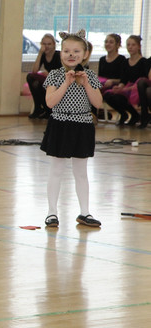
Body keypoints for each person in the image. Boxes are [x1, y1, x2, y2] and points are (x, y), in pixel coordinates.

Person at [41, 30, 103, 228]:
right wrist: (66, 83)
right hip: (61, 124)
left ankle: (85, 212)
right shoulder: (55, 75)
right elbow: (50, 102)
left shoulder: (90, 76)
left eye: (76, 51)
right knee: (56, 170)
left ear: (85, 54)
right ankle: (52, 212)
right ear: (61, 53)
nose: (71, 54)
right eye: (66, 50)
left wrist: (85, 85)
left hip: (83, 126)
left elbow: (98, 103)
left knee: (81, 172)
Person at [103, 35, 148, 126]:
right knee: (109, 95)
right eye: (128, 45)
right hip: (127, 88)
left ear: (139, 46)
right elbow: (123, 80)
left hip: (137, 90)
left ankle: (139, 115)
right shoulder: (126, 62)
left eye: (133, 45)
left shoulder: (144, 62)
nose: (130, 47)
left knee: (122, 95)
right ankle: (127, 114)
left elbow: (142, 81)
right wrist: (119, 87)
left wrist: (124, 89)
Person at [27, 34, 62, 119]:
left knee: (39, 84)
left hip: (59, 83)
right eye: (44, 44)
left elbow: (62, 73)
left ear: (54, 44)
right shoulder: (43, 55)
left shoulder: (58, 55)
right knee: (31, 78)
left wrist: (49, 74)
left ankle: (48, 109)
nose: (46, 46)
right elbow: (34, 71)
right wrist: (40, 53)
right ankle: (39, 108)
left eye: (49, 44)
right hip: (50, 82)